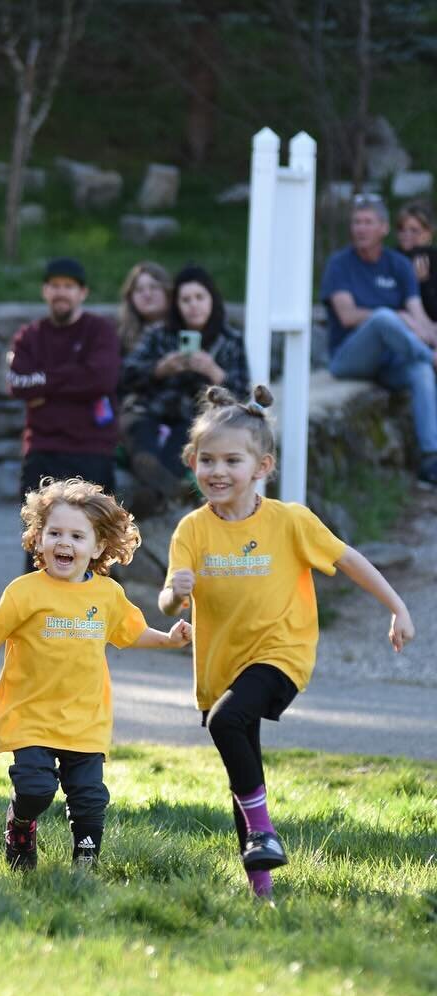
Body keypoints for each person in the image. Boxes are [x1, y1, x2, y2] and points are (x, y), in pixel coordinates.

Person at [159, 386, 413, 899]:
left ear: (262, 467)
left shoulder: (290, 521)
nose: (217, 471)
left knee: (227, 722)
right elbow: (169, 601)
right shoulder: (191, 530)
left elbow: (348, 560)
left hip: (281, 654)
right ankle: (262, 890)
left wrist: (397, 606)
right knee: (240, 767)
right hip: (217, 667)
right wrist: (172, 594)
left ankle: (264, 833)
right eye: (207, 460)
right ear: (192, 462)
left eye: (232, 459)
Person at [0, 478, 190, 872]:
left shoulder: (106, 595)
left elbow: (132, 633)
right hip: (30, 714)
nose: (63, 543)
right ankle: (20, 824)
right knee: (35, 790)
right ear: (38, 540)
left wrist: (170, 640)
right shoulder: (24, 592)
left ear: (99, 547)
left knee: (89, 798)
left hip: (86, 718)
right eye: (53, 533)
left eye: (76, 535)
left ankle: (83, 869)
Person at [7, 257, 121, 571]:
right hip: (43, 453)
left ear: (82, 292)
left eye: (68, 287)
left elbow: (101, 379)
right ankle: (37, 615)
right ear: (45, 291)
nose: (61, 293)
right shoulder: (30, 336)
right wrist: (74, 380)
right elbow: (18, 382)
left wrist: (44, 383)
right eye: (55, 286)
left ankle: (101, 617)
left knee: (97, 545)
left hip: (92, 452)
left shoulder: (100, 332)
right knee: (40, 543)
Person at [320, 195, 437, 488]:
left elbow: (418, 315)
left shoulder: (398, 264)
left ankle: (429, 460)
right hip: (349, 359)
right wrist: (397, 317)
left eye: (368, 222)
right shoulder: (340, 264)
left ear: (383, 228)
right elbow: (346, 315)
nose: (361, 228)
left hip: (388, 363)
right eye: (357, 222)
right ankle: (429, 357)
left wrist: (432, 336)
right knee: (385, 319)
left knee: (421, 372)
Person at [119, 264, 250, 516]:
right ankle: (159, 481)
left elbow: (242, 394)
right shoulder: (159, 334)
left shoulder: (229, 340)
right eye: (186, 299)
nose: (193, 305)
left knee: (189, 437)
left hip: (195, 417)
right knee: (138, 427)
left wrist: (214, 372)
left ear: (212, 300)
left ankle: (153, 491)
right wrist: (161, 369)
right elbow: (126, 375)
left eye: (200, 298)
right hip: (149, 410)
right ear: (176, 304)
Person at [116, 261, 172, 355]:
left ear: (167, 292)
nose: (147, 295)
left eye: (154, 287)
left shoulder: (184, 330)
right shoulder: (120, 337)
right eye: (139, 290)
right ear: (130, 298)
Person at [396, 201, 437, 323]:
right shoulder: (392, 258)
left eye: (414, 230)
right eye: (402, 230)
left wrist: (424, 283)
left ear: (428, 233)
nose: (406, 235)